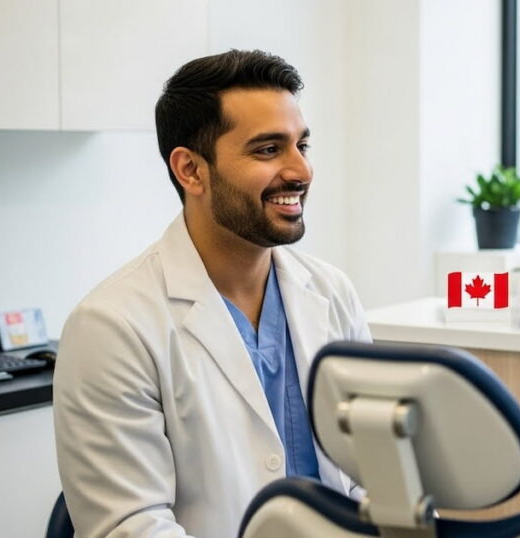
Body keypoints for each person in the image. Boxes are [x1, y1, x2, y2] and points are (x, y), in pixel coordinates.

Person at [53, 49, 371, 537]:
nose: (300, 171)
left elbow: (371, 475)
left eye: (301, 146)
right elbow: (132, 527)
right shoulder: (111, 326)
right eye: (268, 150)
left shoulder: (331, 292)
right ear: (190, 170)